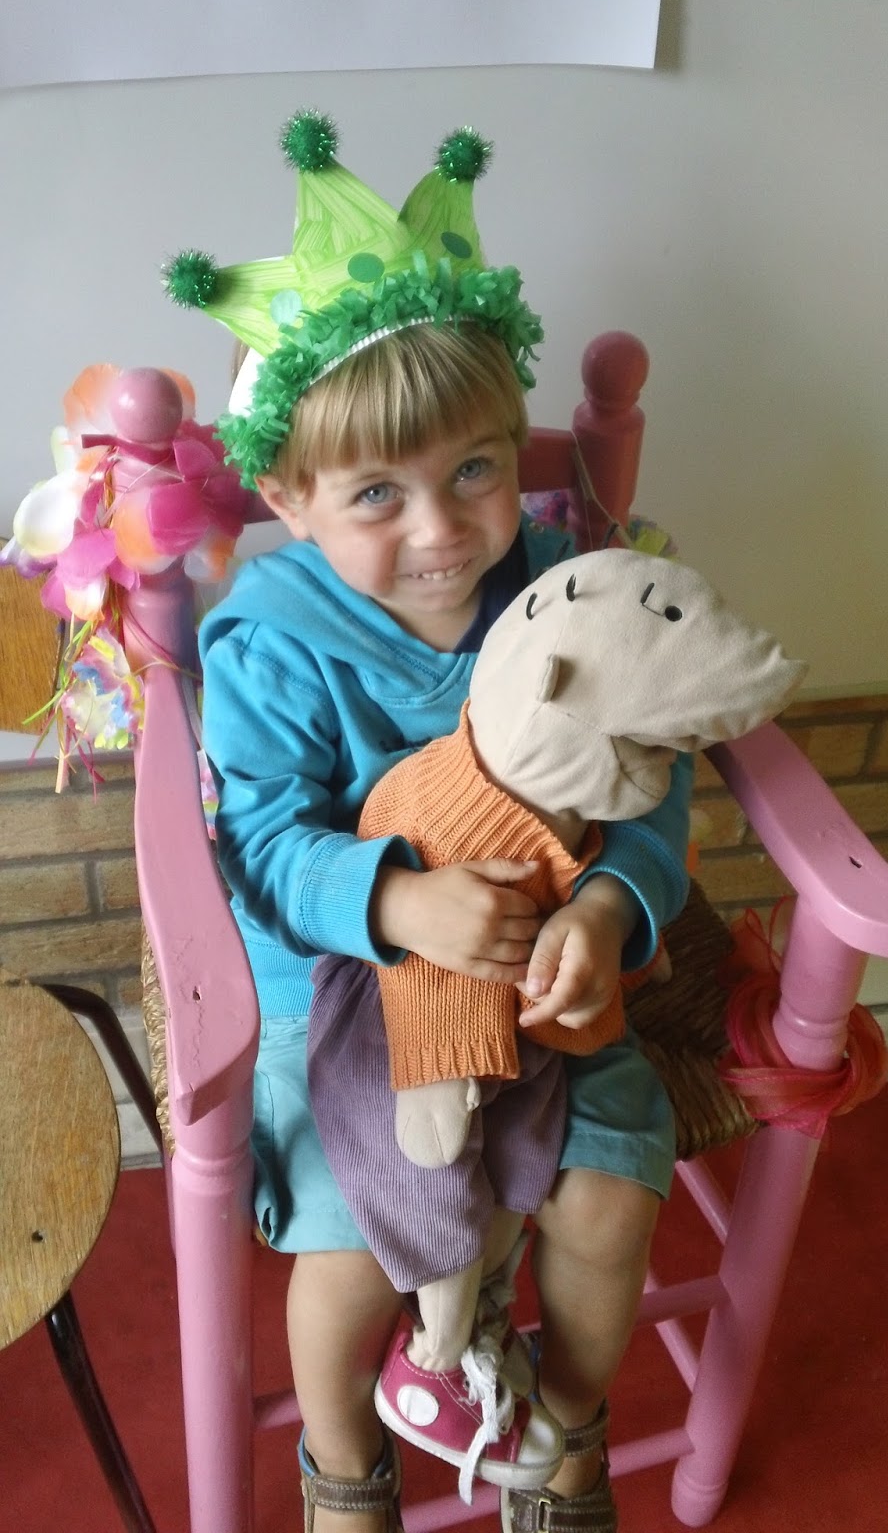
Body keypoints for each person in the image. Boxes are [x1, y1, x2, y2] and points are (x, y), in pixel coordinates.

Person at [168, 110, 691, 1533]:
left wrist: (609, 907)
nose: (443, 530)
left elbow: (650, 779)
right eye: (374, 495)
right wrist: (394, 899)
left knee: (609, 1200)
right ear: (290, 496)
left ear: (512, 451)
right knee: (350, 1255)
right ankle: (346, 1468)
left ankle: (564, 1433)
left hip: (542, 964)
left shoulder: (565, 587)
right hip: (347, 981)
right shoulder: (276, 639)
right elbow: (258, 844)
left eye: (474, 469)